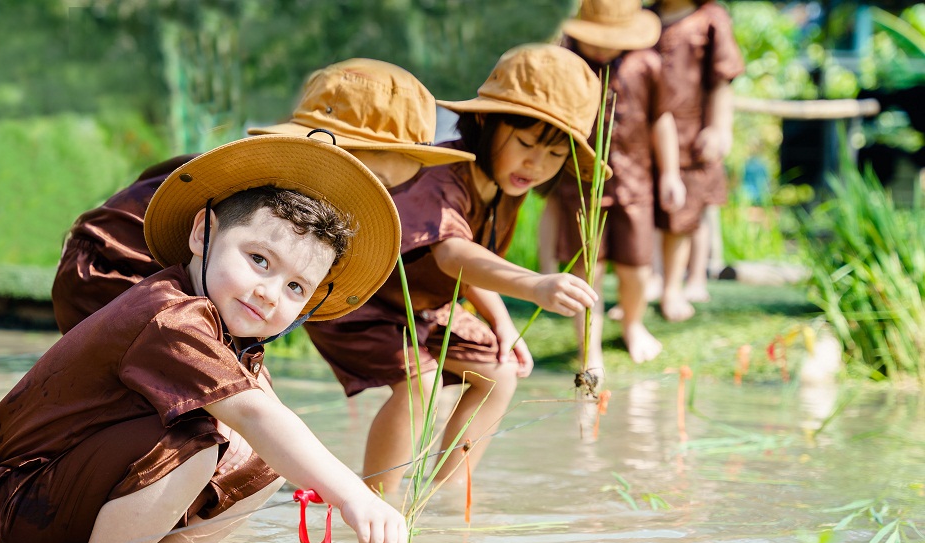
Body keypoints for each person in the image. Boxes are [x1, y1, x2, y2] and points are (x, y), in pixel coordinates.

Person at [0, 135, 409, 543]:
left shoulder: (226, 325)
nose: (269, 293)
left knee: (266, 458)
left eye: (295, 287)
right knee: (195, 443)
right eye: (259, 260)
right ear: (202, 232)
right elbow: (253, 413)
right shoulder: (169, 316)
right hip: (29, 505)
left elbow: (267, 423)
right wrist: (355, 495)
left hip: (74, 502)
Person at [305, 44, 607, 495]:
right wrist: (535, 285)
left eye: (554, 155)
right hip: (359, 298)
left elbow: (472, 260)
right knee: (420, 384)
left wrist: (501, 321)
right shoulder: (444, 175)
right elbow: (451, 253)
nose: (535, 164)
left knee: (498, 372)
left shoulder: (507, 185)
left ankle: (440, 497)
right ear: (486, 121)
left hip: (423, 309)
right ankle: (377, 507)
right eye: (525, 144)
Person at [52, 58, 473, 335]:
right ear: (328, 152)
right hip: (113, 273)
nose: (367, 197)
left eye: (386, 188)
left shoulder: (305, 220)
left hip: (195, 292)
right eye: (367, 177)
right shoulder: (259, 185)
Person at [539, 0, 685, 369]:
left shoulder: (646, 65)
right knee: (588, 268)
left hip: (635, 183)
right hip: (581, 184)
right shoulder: (565, 64)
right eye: (596, 39)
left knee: (637, 266)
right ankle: (590, 348)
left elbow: (661, 120)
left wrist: (670, 173)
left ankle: (633, 325)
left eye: (612, 40)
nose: (603, 48)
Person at [654, 0, 744, 320]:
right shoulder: (645, 18)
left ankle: (694, 278)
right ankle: (657, 280)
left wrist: (720, 127)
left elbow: (722, 78)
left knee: (693, 210)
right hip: (651, 133)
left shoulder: (711, 19)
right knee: (653, 213)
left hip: (694, 135)